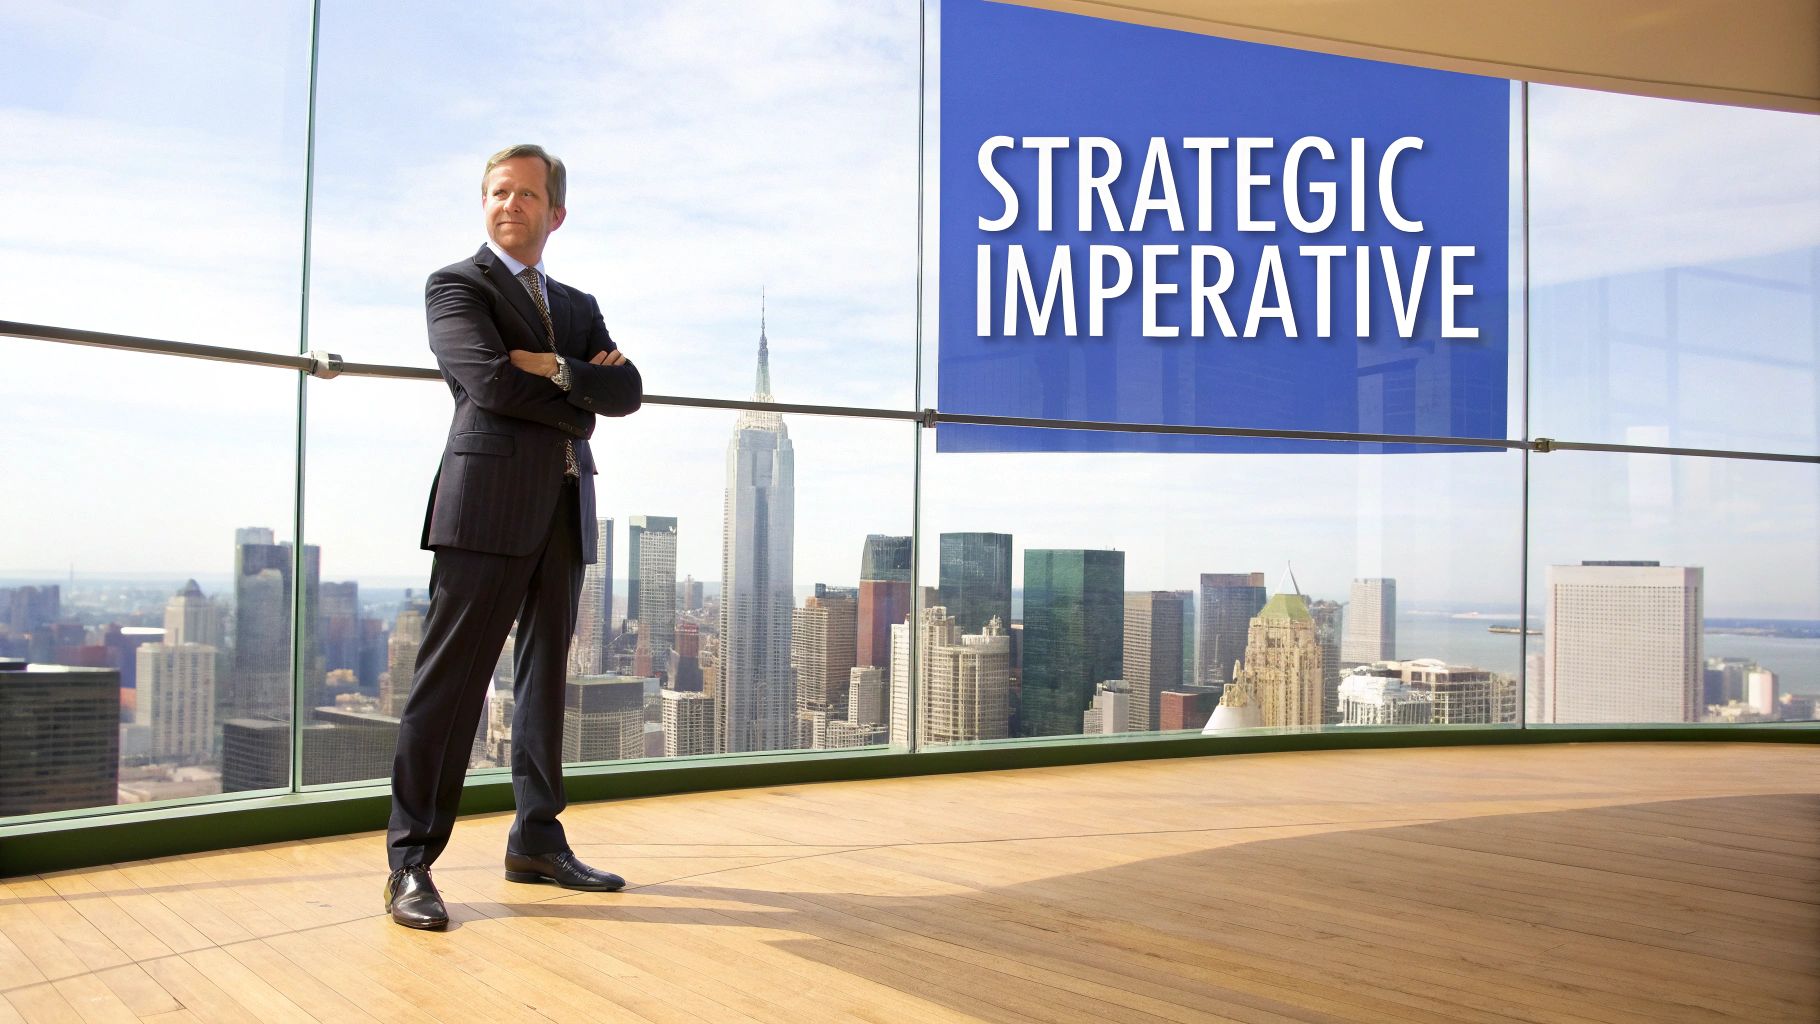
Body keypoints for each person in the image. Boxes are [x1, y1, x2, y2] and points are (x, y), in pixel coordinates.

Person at [384, 144, 643, 930]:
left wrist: (560, 370)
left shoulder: (576, 302)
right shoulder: (457, 285)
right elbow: (489, 382)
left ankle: (537, 840)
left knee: (543, 687)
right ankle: (410, 865)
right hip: (486, 507)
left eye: (528, 195)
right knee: (450, 686)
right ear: (485, 203)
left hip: (564, 508)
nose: (511, 205)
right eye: (499, 192)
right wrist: (580, 395)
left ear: (554, 213)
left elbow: (627, 389)